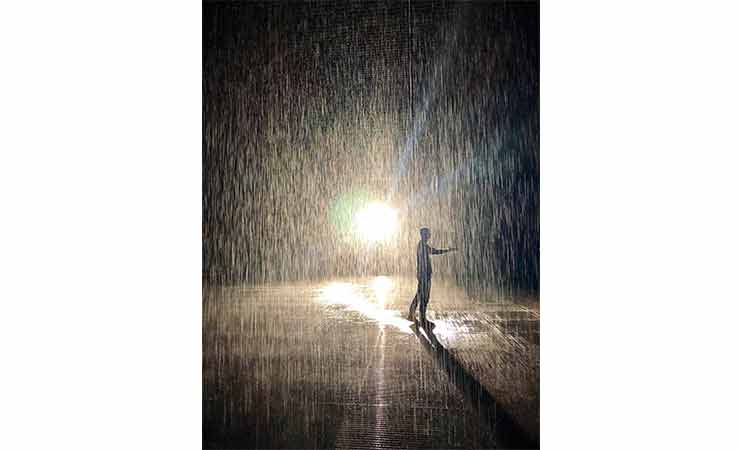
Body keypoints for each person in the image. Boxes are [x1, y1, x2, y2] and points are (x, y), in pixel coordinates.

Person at [407, 227, 457, 326]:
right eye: (428, 234)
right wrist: (448, 250)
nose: (430, 235)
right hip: (424, 274)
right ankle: (421, 317)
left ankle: (413, 314)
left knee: (421, 294)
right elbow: (434, 251)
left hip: (423, 274)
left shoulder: (422, 245)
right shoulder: (422, 246)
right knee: (424, 296)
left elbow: (432, 252)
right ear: (424, 235)